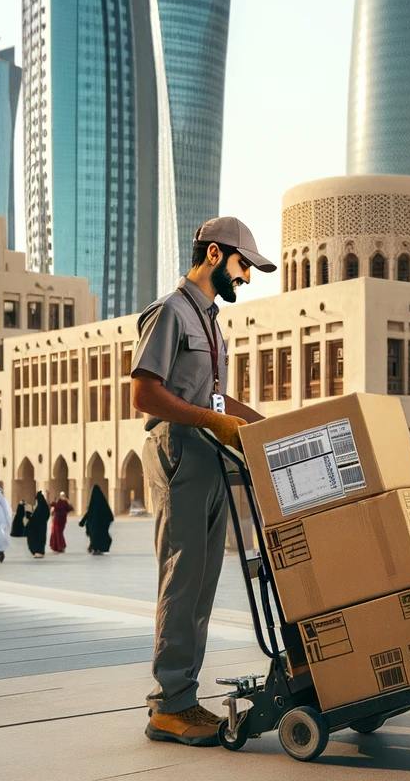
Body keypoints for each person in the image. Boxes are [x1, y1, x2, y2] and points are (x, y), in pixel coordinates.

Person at [132, 216, 273, 747]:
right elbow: (145, 394)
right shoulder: (170, 312)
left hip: (209, 457)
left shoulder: (210, 321)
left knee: (204, 585)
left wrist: (263, 425)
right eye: (243, 266)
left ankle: (183, 698)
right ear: (214, 254)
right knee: (183, 579)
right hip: (179, 453)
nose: (247, 278)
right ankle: (169, 706)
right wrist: (208, 421)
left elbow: (213, 399)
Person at [78, 484, 114, 554]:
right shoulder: (103, 503)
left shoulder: (93, 503)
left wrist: (82, 522)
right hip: (101, 525)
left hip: (94, 525)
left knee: (94, 536)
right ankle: (97, 548)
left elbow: (88, 513)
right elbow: (109, 515)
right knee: (101, 536)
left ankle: (95, 548)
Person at [25, 492, 50, 558]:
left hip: (39, 528)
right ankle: (38, 552)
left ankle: (39, 552)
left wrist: (29, 516)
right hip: (40, 527)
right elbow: (45, 516)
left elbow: (36, 517)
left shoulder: (41, 507)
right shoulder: (43, 507)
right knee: (38, 539)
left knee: (38, 539)